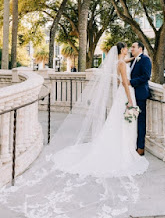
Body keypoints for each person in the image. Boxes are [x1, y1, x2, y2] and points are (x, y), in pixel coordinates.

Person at [51, 42, 149, 178]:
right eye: (127, 48)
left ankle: (129, 145)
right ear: (122, 50)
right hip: (127, 93)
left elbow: (126, 65)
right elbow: (125, 82)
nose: (129, 49)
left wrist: (134, 58)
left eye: (132, 47)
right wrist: (130, 100)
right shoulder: (121, 63)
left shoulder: (121, 61)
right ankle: (125, 146)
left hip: (126, 92)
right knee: (124, 121)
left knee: (122, 120)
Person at [130, 41, 152, 156]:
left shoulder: (145, 59)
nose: (131, 49)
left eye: (133, 47)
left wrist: (131, 82)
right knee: (132, 121)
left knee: (141, 122)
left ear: (140, 49)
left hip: (141, 95)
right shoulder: (133, 60)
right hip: (132, 95)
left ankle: (140, 147)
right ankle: (133, 144)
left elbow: (146, 76)